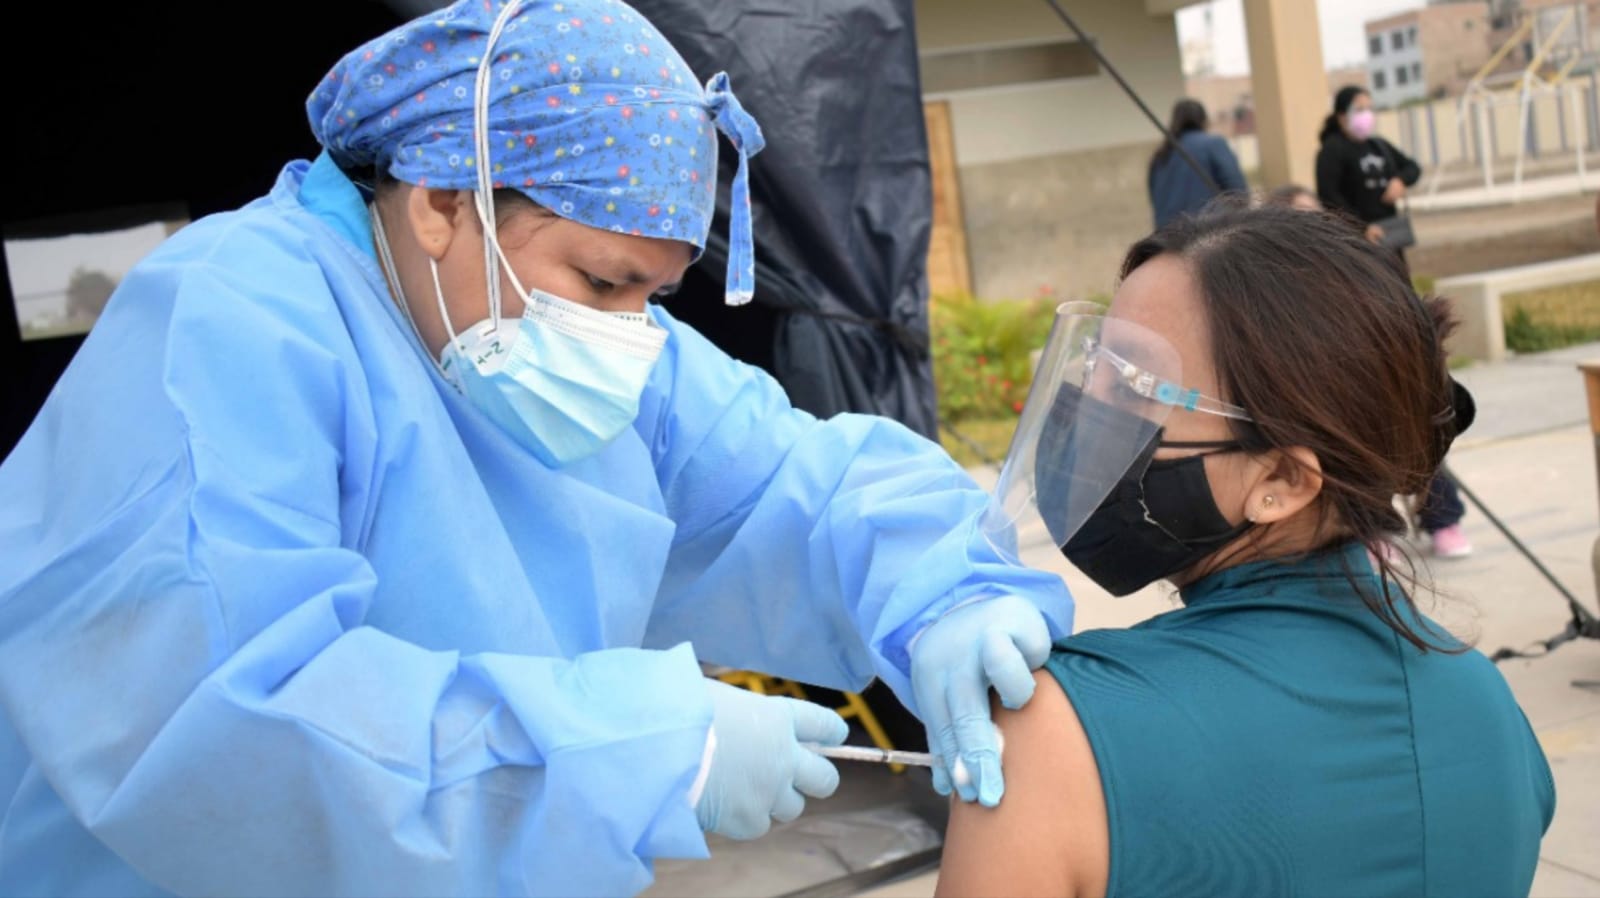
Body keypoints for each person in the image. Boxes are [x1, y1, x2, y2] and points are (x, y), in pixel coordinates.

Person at [0, 2, 1075, 895]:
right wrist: (631, 748)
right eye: (602, 281)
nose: (627, 332)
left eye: (656, 294)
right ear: (436, 203)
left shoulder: (608, 350)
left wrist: (944, 590)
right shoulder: (232, 323)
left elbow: (785, 483)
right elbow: (222, 720)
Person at [936, 205, 1554, 898]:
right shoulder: (1491, 710)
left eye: (1131, 382)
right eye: (1094, 363)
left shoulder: (1052, 736)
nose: (1088, 407)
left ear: (1282, 481)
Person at [1315, 86, 1469, 558]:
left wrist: (1401, 184)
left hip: (1392, 277)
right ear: (1340, 115)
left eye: (1368, 107)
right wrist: (1361, 230)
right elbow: (1330, 200)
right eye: (1357, 109)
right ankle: (1371, 530)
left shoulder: (1379, 148)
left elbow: (1412, 167)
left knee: (1420, 423)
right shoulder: (1333, 155)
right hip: (1361, 282)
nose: (1365, 116)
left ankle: (1441, 518)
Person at [1148, 98, 1249, 230]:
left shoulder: (1161, 155)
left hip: (1167, 237)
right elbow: (1238, 191)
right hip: (1206, 233)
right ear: (1203, 119)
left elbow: (1155, 200)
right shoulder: (1213, 144)